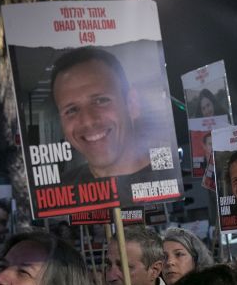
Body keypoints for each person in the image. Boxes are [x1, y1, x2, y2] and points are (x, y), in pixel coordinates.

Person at [52, 47, 172, 185]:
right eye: (72, 110)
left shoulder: (172, 172)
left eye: (101, 101)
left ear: (132, 104)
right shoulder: (59, 191)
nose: (88, 121)